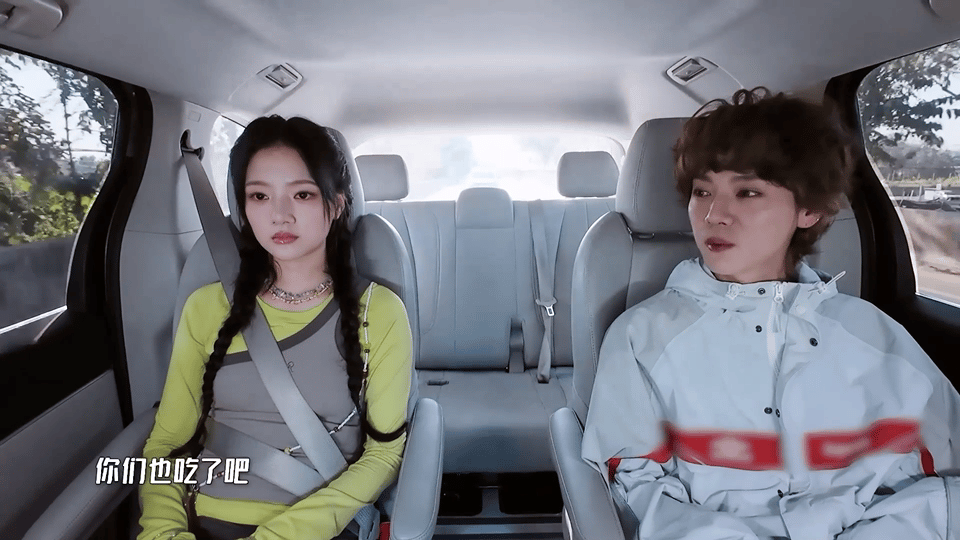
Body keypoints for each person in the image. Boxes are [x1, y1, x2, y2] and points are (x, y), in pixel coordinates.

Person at [581, 88, 960, 539]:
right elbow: (638, 491)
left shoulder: (873, 334)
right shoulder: (641, 337)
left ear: (808, 209)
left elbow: (942, 486)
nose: (714, 214)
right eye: (702, 191)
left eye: (747, 192)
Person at [137, 116, 413, 540]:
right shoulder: (206, 307)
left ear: (337, 203)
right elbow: (168, 442)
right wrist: (163, 532)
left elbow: (384, 455)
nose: (279, 215)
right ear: (244, 209)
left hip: (320, 527)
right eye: (260, 196)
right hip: (203, 520)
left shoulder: (379, 311)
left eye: (302, 194)